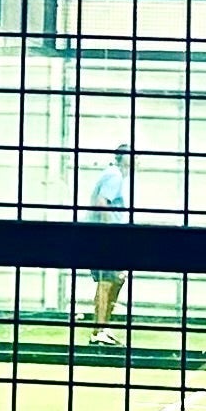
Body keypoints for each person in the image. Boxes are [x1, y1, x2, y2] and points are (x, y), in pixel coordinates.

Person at [84, 146, 132, 349]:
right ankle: (99, 330)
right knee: (107, 282)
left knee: (115, 280)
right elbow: (101, 203)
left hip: (106, 237)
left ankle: (103, 327)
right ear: (125, 159)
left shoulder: (112, 175)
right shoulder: (115, 176)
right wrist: (108, 236)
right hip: (105, 238)